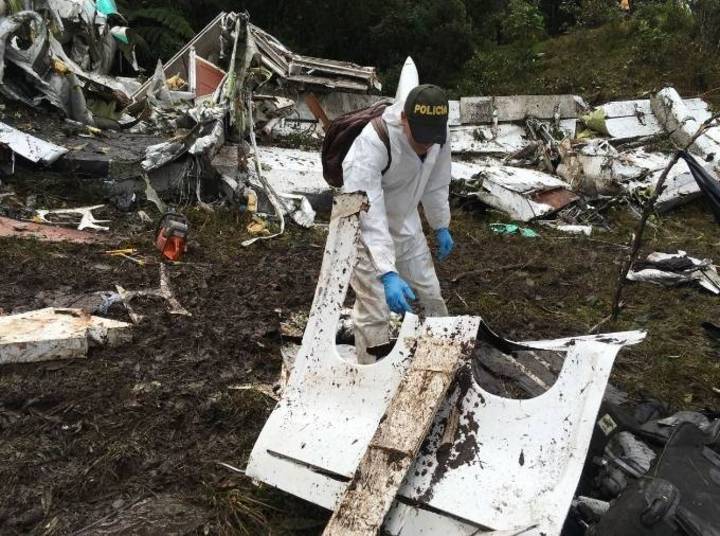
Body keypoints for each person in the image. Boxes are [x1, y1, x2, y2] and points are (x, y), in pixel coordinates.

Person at [342, 84, 454, 364]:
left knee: (430, 296)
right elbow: (368, 209)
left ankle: (437, 363)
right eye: (420, 137)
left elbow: (437, 181)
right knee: (376, 310)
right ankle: (369, 376)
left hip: (406, 224)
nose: (426, 145)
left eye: (432, 138)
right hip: (362, 232)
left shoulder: (439, 135)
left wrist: (440, 224)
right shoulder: (374, 141)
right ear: (404, 118)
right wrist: (387, 271)